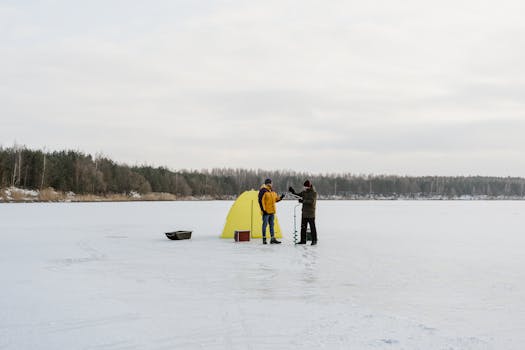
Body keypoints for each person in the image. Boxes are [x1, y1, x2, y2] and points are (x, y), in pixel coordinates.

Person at [289, 180, 318, 245]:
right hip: (304, 213)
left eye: (305, 186)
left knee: (312, 227)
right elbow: (298, 195)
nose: (304, 188)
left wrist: (303, 201)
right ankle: (303, 240)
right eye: (304, 186)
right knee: (303, 228)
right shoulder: (304, 192)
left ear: (309, 186)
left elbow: (311, 201)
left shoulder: (314, 193)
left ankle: (314, 240)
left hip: (311, 213)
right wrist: (293, 192)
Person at [258, 178, 285, 244]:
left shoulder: (272, 191)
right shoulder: (263, 190)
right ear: (267, 183)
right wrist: (263, 210)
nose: (271, 184)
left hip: (272, 211)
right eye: (270, 183)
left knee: (272, 225)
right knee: (264, 225)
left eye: (271, 183)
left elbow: (275, 199)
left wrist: (281, 197)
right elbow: (261, 201)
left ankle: (272, 239)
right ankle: (264, 239)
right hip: (266, 212)